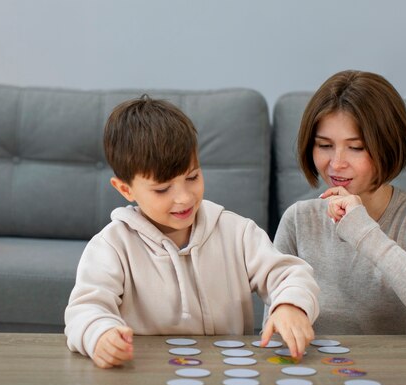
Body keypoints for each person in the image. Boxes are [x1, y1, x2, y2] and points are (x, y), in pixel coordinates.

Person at [65, 95, 319, 368]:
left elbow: (290, 274)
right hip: (148, 376)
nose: (184, 198)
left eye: (192, 177)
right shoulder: (112, 246)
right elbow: (85, 309)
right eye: (163, 189)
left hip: (228, 372)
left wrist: (290, 305)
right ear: (125, 189)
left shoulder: (237, 233)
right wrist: (99, 334)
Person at [274, 70, 406, 342]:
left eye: (356, 148)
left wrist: (364, 232)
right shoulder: (298, 220)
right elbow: (276, 332)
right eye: (324, 145)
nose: (336, 163)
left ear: (387, 145)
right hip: (322, 376)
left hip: (402, 378)